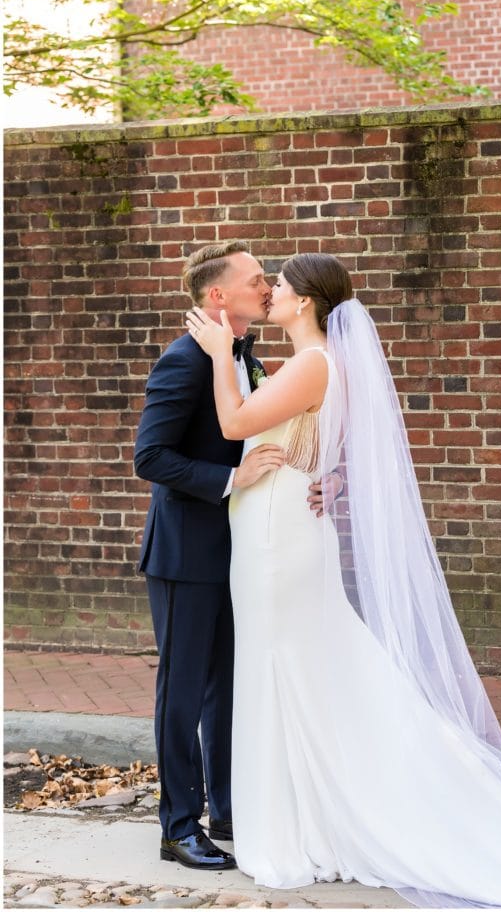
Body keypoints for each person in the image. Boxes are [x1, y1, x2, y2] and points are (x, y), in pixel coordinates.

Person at [186, 252, 501, 907]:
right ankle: (309, 811)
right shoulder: (321, 364)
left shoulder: (311, 362)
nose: (270, 292)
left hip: (278, 536)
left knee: (287, 667)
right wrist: (326, 476)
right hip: (278, 526)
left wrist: (221, 353)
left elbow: (234, 424)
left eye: (278, 286)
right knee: (304, 668)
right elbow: (324, 445)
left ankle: (305, 823)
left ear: (305, 300)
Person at [134, 241, 329, 870]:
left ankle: (227, 807)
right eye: (255, 279)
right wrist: (231, 480)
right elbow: (150, 457)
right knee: (183, 691)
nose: (267, 286)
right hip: (186, 555)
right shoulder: (184, 359)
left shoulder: (245, 356)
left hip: (243, 551)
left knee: (228, 690)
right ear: (219, 296)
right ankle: (178, 827)